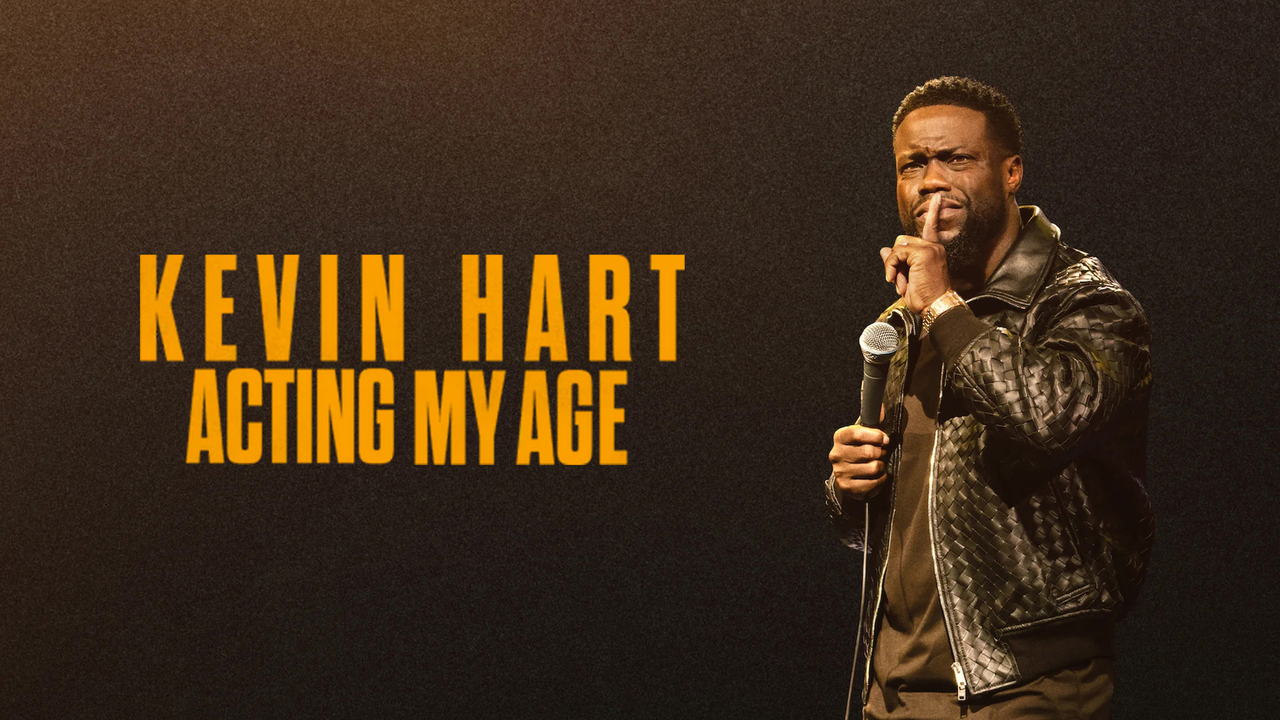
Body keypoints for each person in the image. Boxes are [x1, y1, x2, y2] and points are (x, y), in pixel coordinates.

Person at [825, 77, 1154, 719]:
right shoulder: (905, 323)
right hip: (892, 688)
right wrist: (851, 486)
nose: (932, 181)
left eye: (956, 159)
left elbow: (1049, 418)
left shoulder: (1085, 301)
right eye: (913, 165)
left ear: (1011, 173)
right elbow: (897, 521)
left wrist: (943, 307)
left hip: (1024, 686)